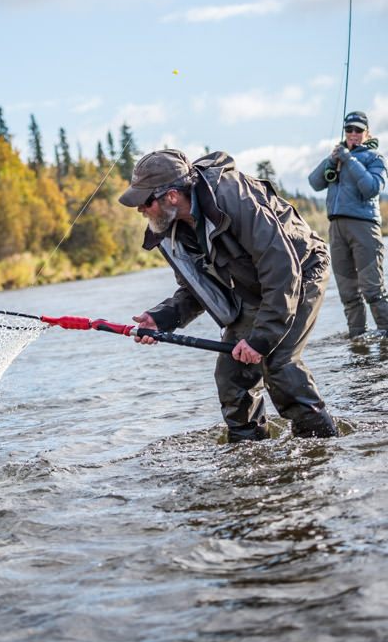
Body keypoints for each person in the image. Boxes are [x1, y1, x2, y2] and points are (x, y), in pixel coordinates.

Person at [119, 148, 337, 442]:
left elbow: (282, 270)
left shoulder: (235, 197)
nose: (140, 210)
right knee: (232, 377)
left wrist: (260, 340)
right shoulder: (170, 228)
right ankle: (248, 452)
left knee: (277, 364)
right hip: (254, 284)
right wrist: (163, 318)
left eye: (145, 202)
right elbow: (198, 288)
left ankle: (322, 445)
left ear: (171, 196)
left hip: (301, 269)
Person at [308, 110, 388, 337]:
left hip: (365, 228)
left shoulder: (375, 158)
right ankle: (358, 339)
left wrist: (349, 160)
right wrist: (332, 160)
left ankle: (385, 336)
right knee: (348, 293)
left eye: (358, 130)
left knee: (373, 289)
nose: (353, 133)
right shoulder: (337, 157)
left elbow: (372, 188)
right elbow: (314, 182)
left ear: (367, 133)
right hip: (336, 230)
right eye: (349, 129)